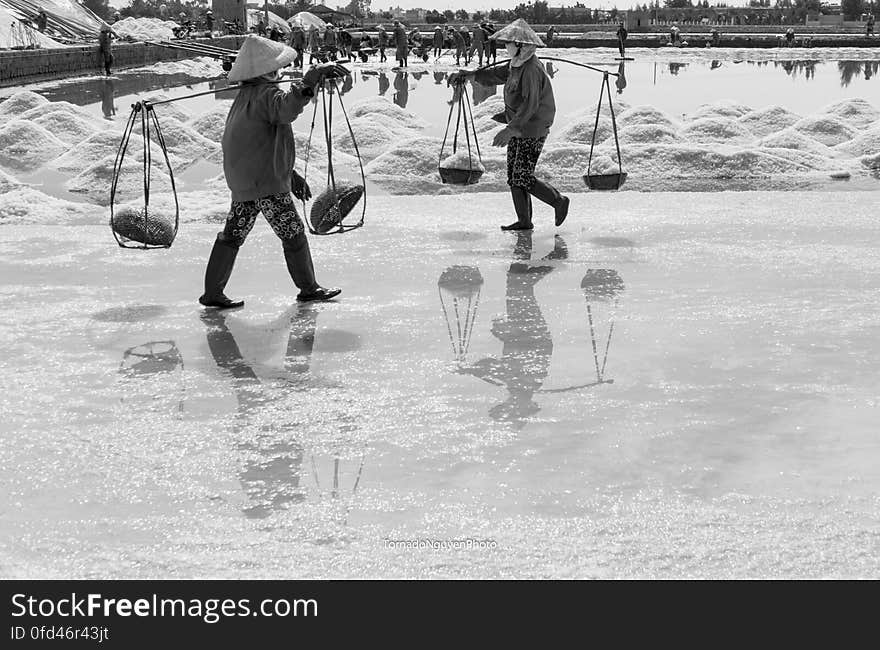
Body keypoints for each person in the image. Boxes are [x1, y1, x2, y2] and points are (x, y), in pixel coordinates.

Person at [198, 35, 347, 310]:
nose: (279, 73)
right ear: (267, 71)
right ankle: (309, 288)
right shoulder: (266, 95)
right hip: (264, 184)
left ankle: (212, 292)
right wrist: (309, 80)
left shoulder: (246, 96)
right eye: (276, 69)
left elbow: (260, 147)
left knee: (232, 235)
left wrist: (289, 176)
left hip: (247, 183)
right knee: (293, 234)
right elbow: (287, 109)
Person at [449, 19, 569, 232]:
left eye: (510, 43)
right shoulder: (516, 64)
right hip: (517, 125)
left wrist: (511, 128)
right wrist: (471, 75)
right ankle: (524, 221)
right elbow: (496, 74)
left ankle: (558, 201)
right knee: (514, 176)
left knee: (523, 176)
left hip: (532, 128)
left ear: (521, 46)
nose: (507, 46)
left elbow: (530, 104)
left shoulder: (531, 69)